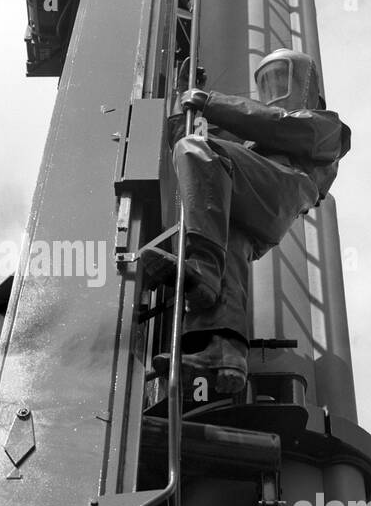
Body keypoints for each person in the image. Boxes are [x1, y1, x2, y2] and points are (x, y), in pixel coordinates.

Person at [144, 49, 351, 393]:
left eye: (282, 78)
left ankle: (202, 268)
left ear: (307, 84)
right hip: (257, 210)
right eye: (267, 82)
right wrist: (186, 101)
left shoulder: (327, 127)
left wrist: (210, 101)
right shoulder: (252, 141)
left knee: (197, 150)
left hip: (284, 188)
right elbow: (187, 143)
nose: (274, 88)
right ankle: (226, 353)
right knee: (229, 241)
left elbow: (278, 125)